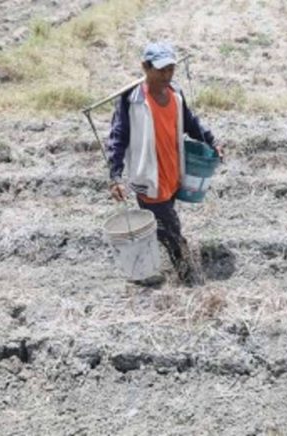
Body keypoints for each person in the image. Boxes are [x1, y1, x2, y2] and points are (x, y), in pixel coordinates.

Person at [106, 41, 222, 285]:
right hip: (148, 178)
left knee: (164, 221)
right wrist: (115, 176)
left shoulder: (175, 93)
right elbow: (118, 138)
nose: (167, 75)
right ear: (145, 67)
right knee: (170, 229)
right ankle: (187, 275)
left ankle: (151, 264)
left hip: (172, 174)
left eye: (171, 69)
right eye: (161, 70)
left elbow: (191, 123)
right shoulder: (132, 100)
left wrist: (212, 141)